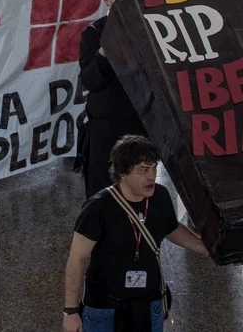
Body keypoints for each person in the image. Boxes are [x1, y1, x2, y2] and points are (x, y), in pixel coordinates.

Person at [62, 135, 209, 332]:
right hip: (104, 307)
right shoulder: (98, 207)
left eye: (154, 168)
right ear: (123, 172)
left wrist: (209, 249)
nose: (152, 176)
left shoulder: (161, 196)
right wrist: (70, 312)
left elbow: (170, 228)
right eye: (143, 170)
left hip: (149, 303)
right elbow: (77, 259)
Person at [78, 0, 147, 197]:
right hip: (106, 127)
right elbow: (89, 80)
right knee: (104, 191)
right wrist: (103, 54)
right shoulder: (94, 33)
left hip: (139, 122)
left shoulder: (147, 29)